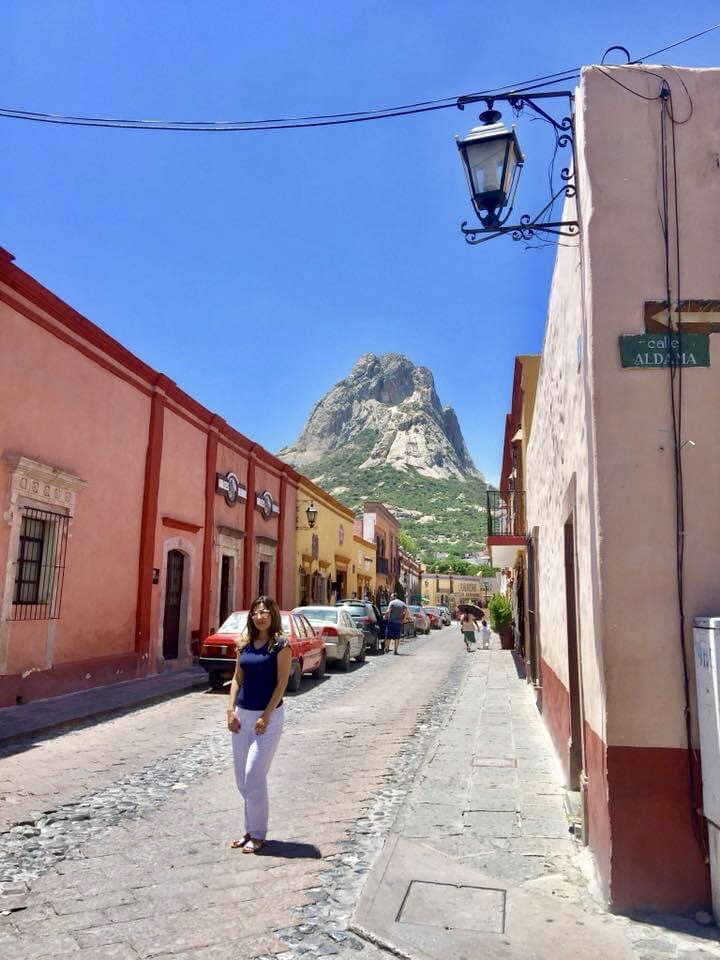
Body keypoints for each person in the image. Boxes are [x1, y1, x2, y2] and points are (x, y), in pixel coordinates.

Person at [227, 595, 291, 854]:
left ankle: (259, 834)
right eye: (256, 612)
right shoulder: (244, 645)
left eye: (265, 611)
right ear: (251, 617)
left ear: (273, 615)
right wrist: (230, 710)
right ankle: (249, 830)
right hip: (243, 715)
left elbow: (282, 683)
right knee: (242, 778)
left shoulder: (281, 646)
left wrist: (266, 715)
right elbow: (236, 679)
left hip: (270, 717)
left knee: (254, 772)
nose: (260, 616)